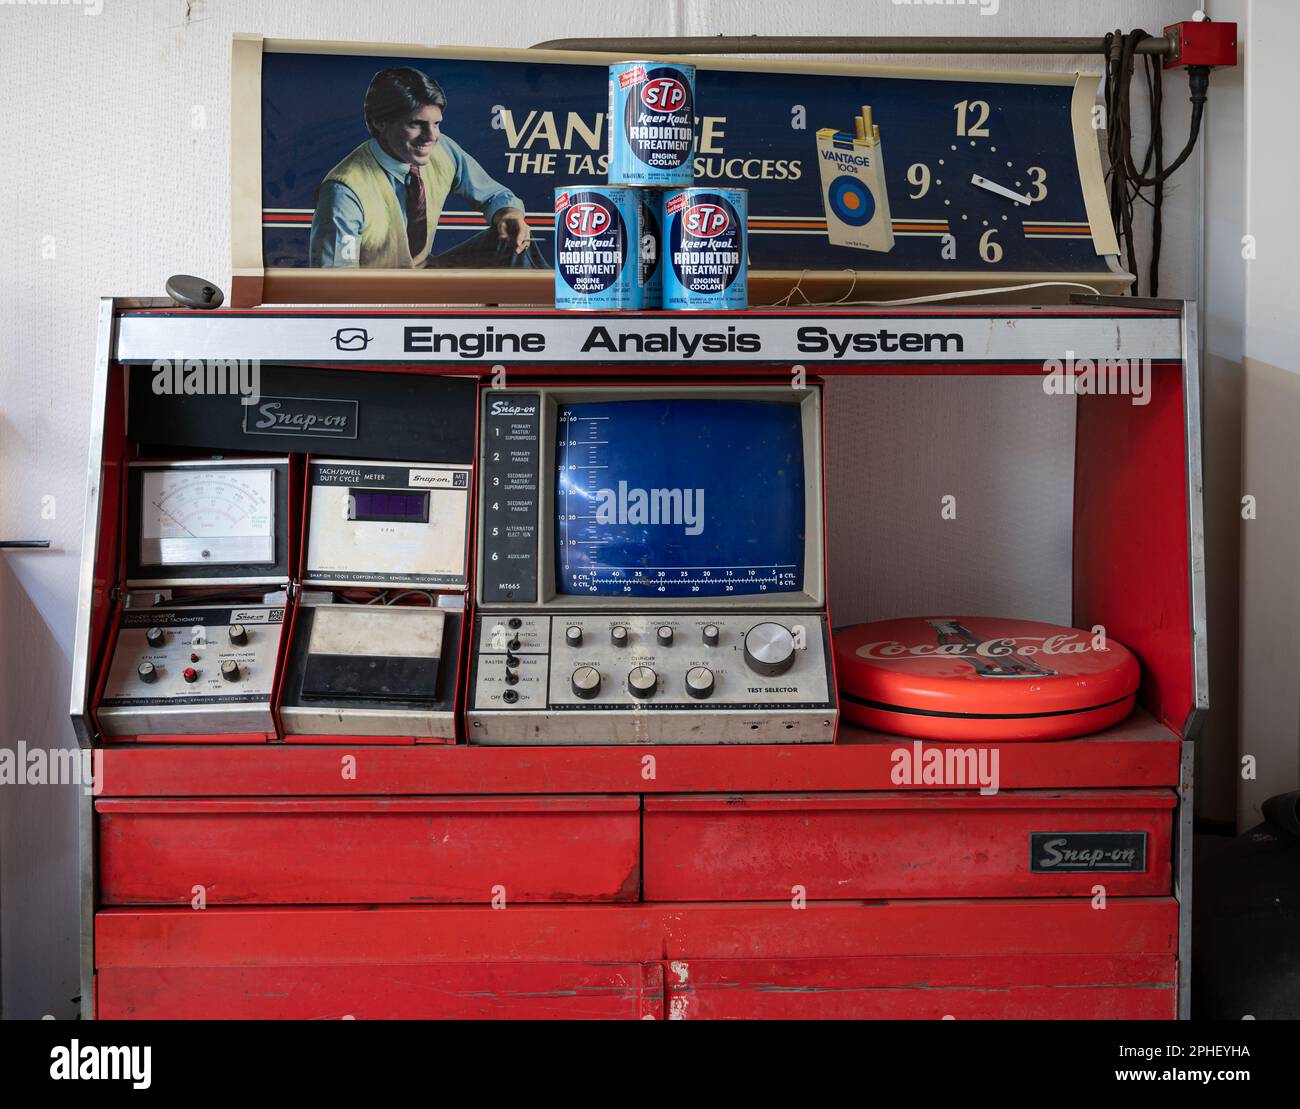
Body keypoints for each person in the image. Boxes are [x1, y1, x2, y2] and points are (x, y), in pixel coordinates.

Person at [310, 67, 540, 268]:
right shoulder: (344, 191)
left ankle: (548, 316)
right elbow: (335, 281)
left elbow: (496, 196)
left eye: (436, 124)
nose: (431, 137)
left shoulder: (443, 150)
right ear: (381, 122)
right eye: (416, 124)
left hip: (425, 276)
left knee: (514, 237)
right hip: (378, 299)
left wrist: (509, 215)